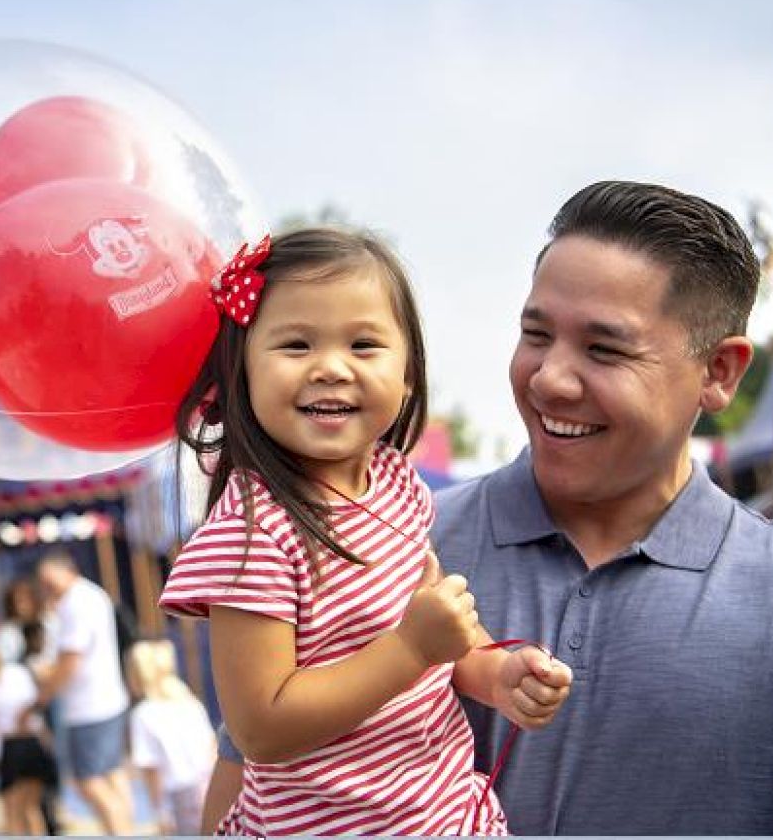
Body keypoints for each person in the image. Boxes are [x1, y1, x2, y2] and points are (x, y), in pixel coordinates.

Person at [207, 182, 773, 835]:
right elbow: (245, 784)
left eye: (604, 349)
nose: (549, 377)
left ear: (719, 372)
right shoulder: (359, 541)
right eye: (536, 334)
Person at [158, 228, 573, 837]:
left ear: (408, 374)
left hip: (446, 819)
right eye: (295, 345)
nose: (330, 367)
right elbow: (261, 730)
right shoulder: (251, 534)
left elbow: (444, 634)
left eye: (363, 344)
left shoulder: (396, 485)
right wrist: (410, 649)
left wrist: (499, 675)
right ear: (242, 371)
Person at [36, 551, 134, 835]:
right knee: (112, 775)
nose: (45, 585)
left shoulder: (75, 603)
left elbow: (70, 660)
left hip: (88, 706)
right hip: (106, 700)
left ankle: (120, 831)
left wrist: (46, 690)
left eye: (48, 579)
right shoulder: (91, 595)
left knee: (89, 782)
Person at [124, 639, 217, 836]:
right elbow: (212, 748)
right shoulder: (191, 702)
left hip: (177, 795)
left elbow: (151, 768)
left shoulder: (143, 714)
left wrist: (159, 811)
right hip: (208, 785)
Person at [0, 640, 59, 836]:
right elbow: (35, 703)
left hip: (11, 748)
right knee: (32, 809)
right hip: (35, 743)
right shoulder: (18, 672)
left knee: (12, 813)